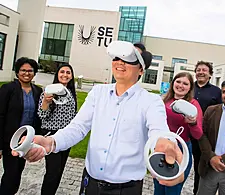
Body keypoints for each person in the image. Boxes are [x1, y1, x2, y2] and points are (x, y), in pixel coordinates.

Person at [12, 41, 185, 195]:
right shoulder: (98, 93)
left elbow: (159, 131)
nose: (120, 62)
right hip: (90, 184)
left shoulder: (151, 101)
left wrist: (165, 144)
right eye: (116, 58)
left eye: (129, 59)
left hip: (127, 189)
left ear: (141, 69)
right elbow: (78, 128)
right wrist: (50, 142)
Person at [154, 72, 203, 195]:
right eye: (178, 81)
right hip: (162, 147)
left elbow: (198, 135)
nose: (181, 85)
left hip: (181, 149)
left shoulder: (193, 105)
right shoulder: (163, 100)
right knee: (158, 188)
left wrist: (192, 123)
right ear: (173, 83)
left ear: (190, 88)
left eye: (185, 83)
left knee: (172, 190)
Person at [0, 57, 42, 195]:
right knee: (10, 174)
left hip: (26, 141)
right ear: (17, 72)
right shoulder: (8, 89)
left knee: (18, 172)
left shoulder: (38, 91)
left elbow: (41, 114)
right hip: (9, 140)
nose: (26, 73)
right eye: (23, 70)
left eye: (30, 70)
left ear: (34, 73)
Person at [38, 63, 77, 195]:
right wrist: (46, 102)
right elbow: (42, 115)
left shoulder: (71, 92)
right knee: (52, 171)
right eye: (62, 72)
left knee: (59, 170)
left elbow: (73, 114)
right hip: (51, 135)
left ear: (71, 76)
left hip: (66, 136)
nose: (65, 75)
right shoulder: (49, 90)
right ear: (57, 74)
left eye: (68, 72)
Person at [192, 61, 222, 194]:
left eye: (204, 70)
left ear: (210, 74)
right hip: (186, 132)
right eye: (198, 69)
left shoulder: (216, 91)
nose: (201, 72)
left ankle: (197, 191)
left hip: (204, 135)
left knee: (200, 166)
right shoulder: (188, 87)